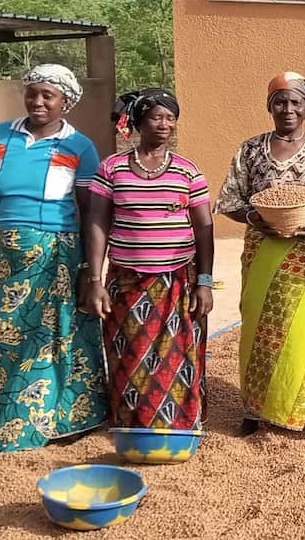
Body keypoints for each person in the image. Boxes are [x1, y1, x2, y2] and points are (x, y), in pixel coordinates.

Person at [0, 64, 107, 452]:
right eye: (31, 93)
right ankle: (10, 421)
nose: (37, 101)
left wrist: (91, 269)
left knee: (58, 336)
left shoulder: (78, 146)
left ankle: (68, 420)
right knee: (6, 333)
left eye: (47, 95)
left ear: (65, 102)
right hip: (11, 259)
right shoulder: (2, 136)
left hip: (58, 257)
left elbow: (90, 212)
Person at [216, 71, 305, 434]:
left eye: (295, 102)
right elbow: (228, 200)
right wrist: (257, 219)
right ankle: (258, 410)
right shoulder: (250, 150)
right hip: (264, 252)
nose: (287, 109)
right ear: (270, 107)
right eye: (280, 102)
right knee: (261, 327)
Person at [82, 88, 214, 429]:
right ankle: (132, 423)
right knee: (131, 354)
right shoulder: (112, 168)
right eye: (157, 117)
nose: (164, 124)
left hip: (177, 282)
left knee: (176, 355)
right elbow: (98, 224)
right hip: (127, 282)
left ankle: (179, 423)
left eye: (171, 118)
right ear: (139, 121)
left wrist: (205, 282)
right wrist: (95, 281)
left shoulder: (187, 171)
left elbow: (203, 229)